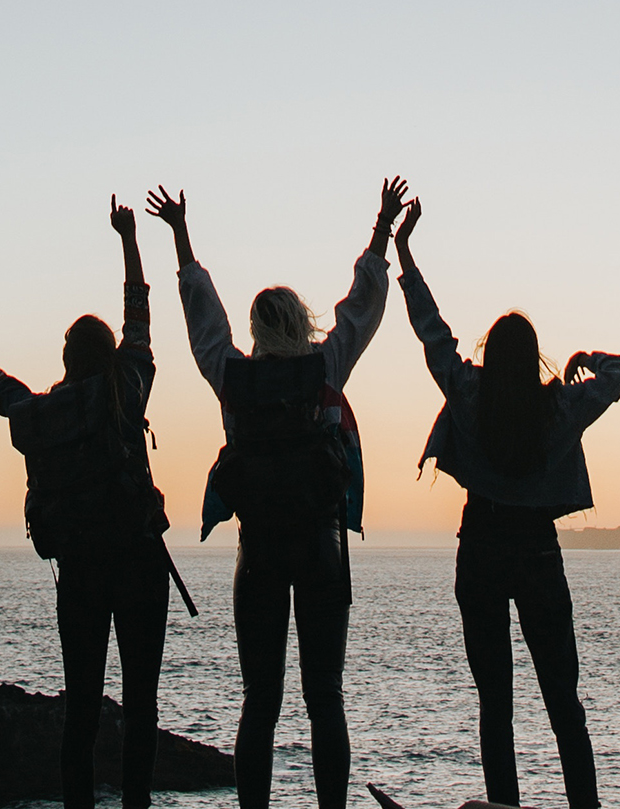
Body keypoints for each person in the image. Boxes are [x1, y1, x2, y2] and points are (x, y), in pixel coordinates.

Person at [146, 178, 409, 809]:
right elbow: (364, 303)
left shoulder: (233, 378)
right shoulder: (325, 369)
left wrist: (180, 238)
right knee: (326, 699)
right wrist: (381, 225)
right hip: (322, 550)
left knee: (259, 701)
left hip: (257, 552)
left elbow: (202, 322)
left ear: (259, 330)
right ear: (302, 322)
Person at [0, 196, 172, 809]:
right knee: (142, 704)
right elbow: (139, 312)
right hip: (139, 565)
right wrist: (129, 239)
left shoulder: (38, 415)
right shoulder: (128, 388)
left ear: (65, 361)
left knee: (80, 710)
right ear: (108, 357)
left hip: (78, 573)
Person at [393, 198, 620, 809]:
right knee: (563, 701)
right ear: (532, 359)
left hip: (479, 547)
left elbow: (432, 332)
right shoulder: (560, 407)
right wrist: (587, 359)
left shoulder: (469, 391)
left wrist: (405, 252)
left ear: (489, 354)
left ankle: (503, 807)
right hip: (536, 552)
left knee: (494, 704)